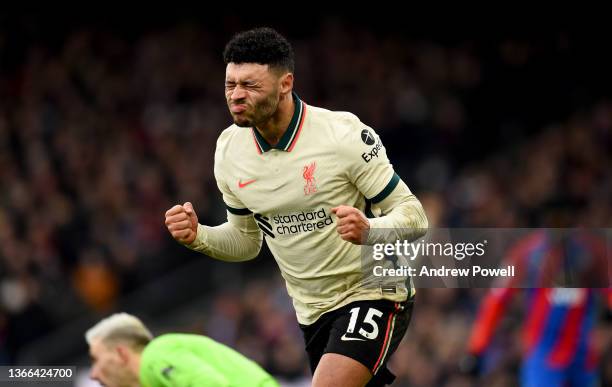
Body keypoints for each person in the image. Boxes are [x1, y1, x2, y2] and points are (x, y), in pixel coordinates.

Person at [164, 27, 428, 386]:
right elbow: (247, 241)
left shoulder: (342, 135)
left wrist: (370, 231)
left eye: (250, 86)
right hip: (312, 313)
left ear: (285, 84)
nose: (237, 96)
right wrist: (199, 237)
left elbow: (415, 216)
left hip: (375, 290)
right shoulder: (229, 151)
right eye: (230, 85)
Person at [463, 230, 611, 387]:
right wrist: (477, 347)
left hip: (581, 356)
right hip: (544, 356)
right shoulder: (526, 251)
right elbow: (497, 298)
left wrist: (477, 348)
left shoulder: (594, 251)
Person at [85, 312, 279, 387]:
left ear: (121, 354)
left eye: (96, 359)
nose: (93, 374)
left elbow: (211, 385)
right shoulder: (155, 375)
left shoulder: (157, 354)